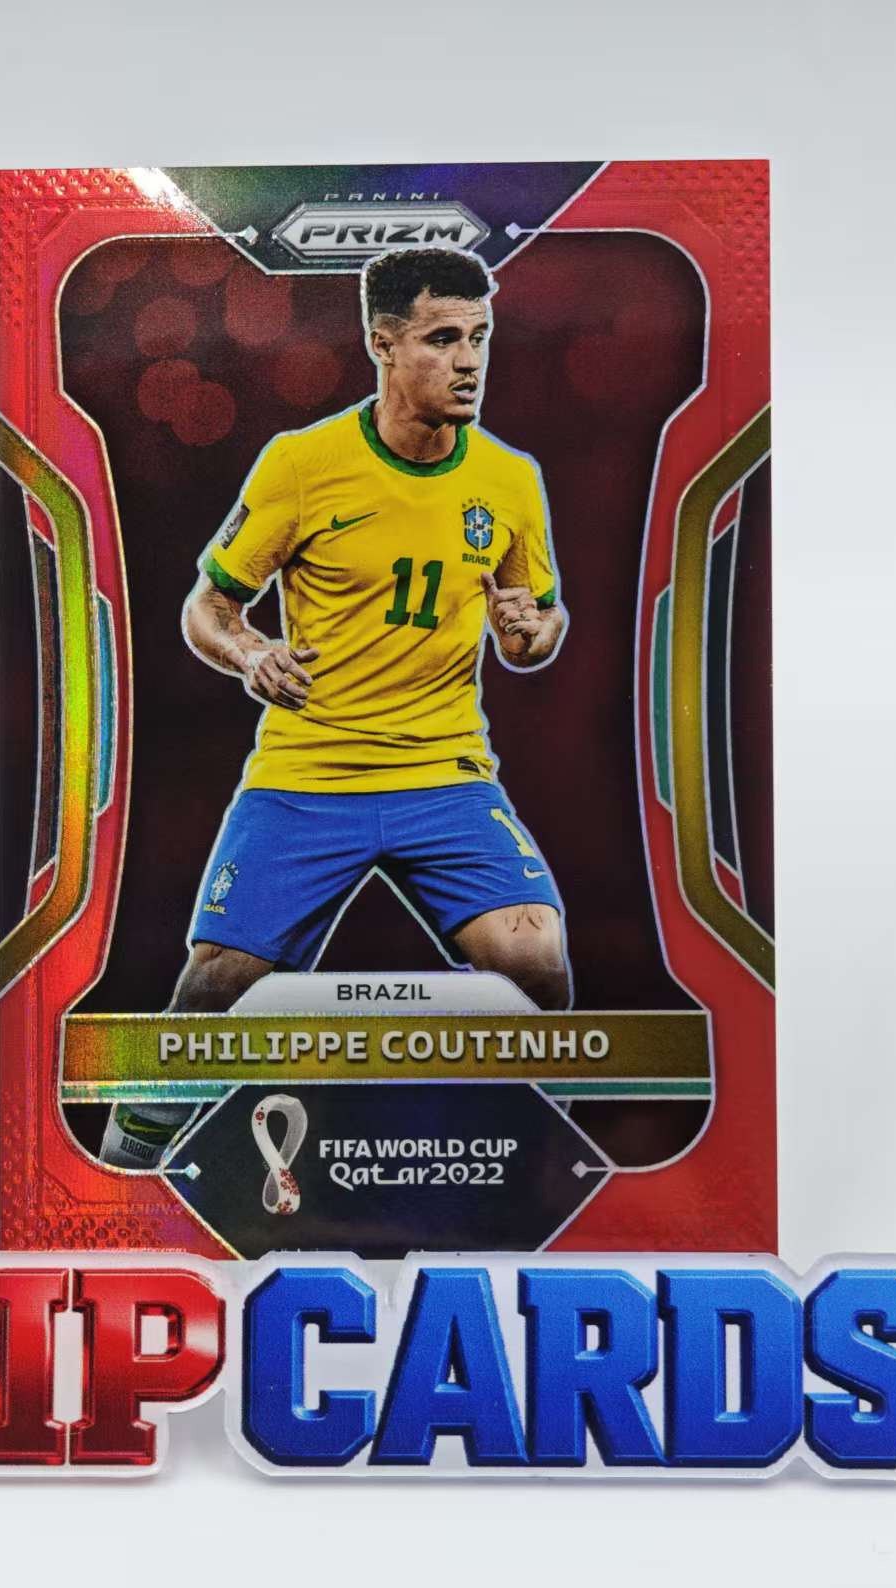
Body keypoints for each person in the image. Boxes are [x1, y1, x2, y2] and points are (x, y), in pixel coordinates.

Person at [101, 245, 570, 1169]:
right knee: (215, 988)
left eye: (479, 338)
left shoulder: (510, 478)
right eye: (442, 339)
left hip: (444, 773)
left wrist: (532, 629)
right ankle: (122, 1165)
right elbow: (207, 606)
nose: (469, 361)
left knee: (536, 967)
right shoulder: (302, 463)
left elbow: (531, 629)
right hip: (308, 774)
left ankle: (498, 1170)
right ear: (382, 345)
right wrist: (251, 653)